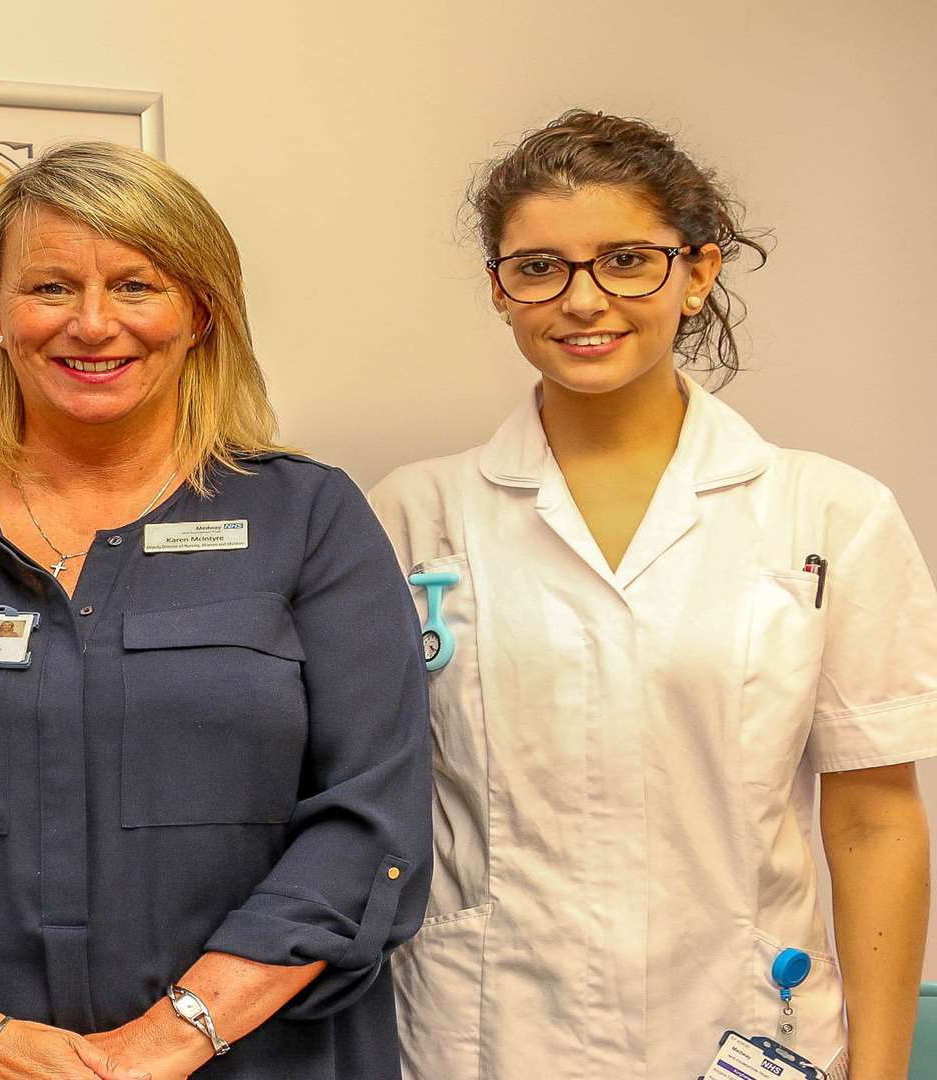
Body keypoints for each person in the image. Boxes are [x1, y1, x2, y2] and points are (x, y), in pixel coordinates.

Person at [0, 141, 432, 1080]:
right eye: (49, 287)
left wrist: (166, 1044)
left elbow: (373, 819)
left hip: (254, 1055)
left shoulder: (311, 519)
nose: (93, 325)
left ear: (201, 312)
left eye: (137, 285)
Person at [369, 110, 935, 1080]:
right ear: (502, 291)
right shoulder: (413, 518)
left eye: (627, 259)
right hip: (485, 1035)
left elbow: (876, 820)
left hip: (747, 1023)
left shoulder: (830, 514)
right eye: (538, 267)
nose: (582, 300)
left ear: (698, 273)